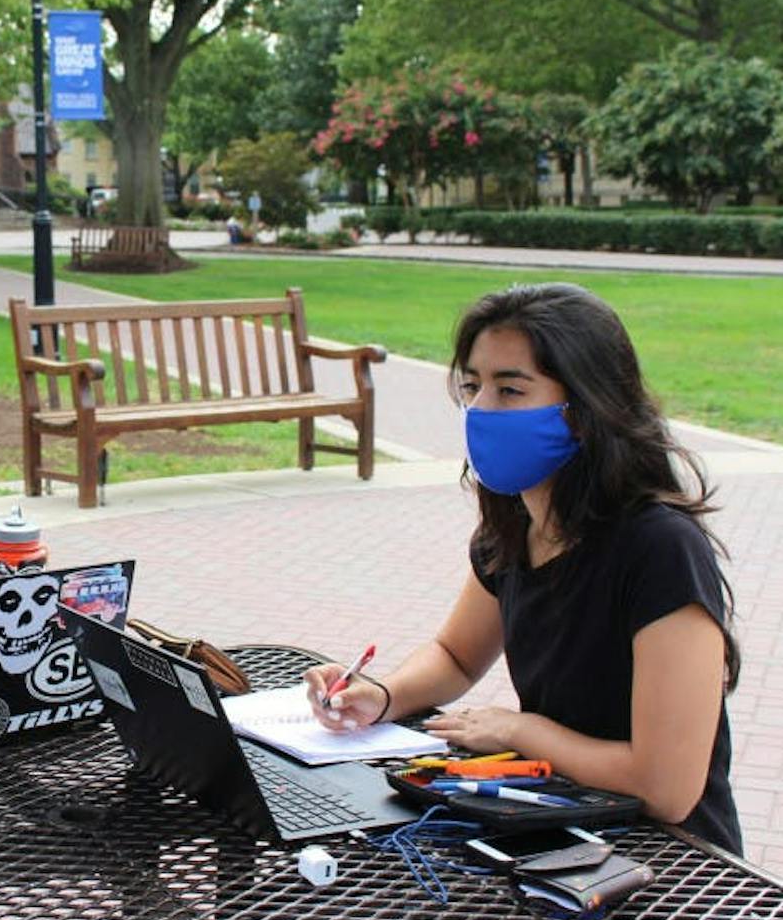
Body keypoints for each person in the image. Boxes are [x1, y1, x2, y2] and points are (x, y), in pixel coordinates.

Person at [303, 282, 743, 853]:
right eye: (472, 386)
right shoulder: (514, 525)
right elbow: (458, 655)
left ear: (586, 410)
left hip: (673, 865)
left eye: (510, 390)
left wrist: (522, 732)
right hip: (561, 824)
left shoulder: (659, 548)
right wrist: (381, 696)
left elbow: (667, 788)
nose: (481, 410)